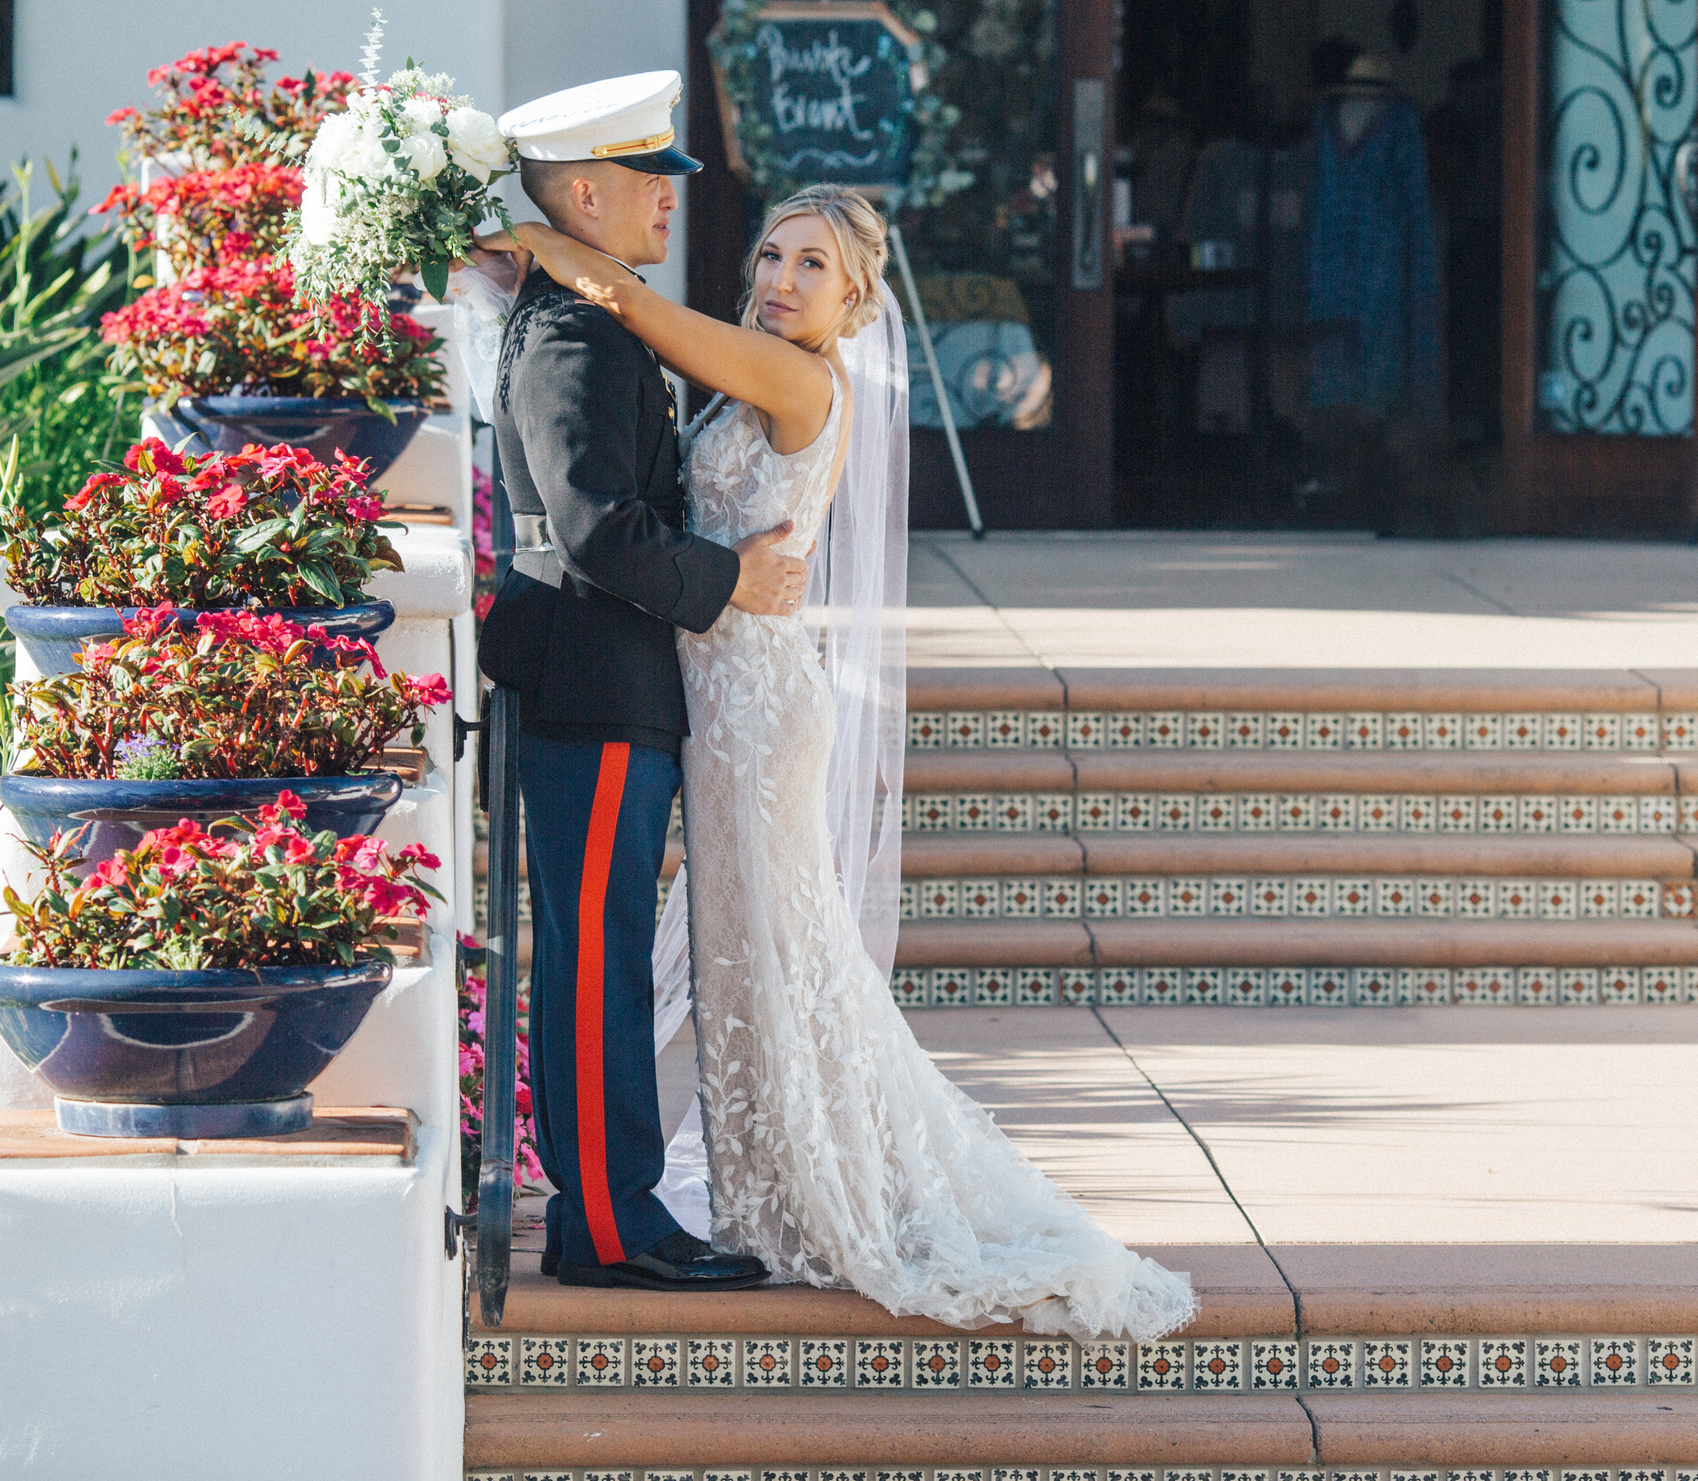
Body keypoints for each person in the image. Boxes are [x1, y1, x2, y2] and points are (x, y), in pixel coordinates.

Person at [478, 185, 1199, 1343]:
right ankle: (754, 1191)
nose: (779, 279)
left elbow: (633, 312)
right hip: (696, 690)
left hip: (752, 707)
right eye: (769, 254)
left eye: (813, 266)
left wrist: (552, 246)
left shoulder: (801, 378)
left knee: (781, 944)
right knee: (739, 955)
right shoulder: (747, 365)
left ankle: (826, 1188)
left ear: (856, 297)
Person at [475, 71, 805, 1294]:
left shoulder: (589, 324)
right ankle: (608, 1224)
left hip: (598, 678)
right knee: (593, 959)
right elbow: (600, 531)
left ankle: (607, 1212)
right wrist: (733, 581)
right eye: (649, 185)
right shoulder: (574, 337)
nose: (669, 206)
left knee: (598, 952)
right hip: (593, 681)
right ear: (587, 195)